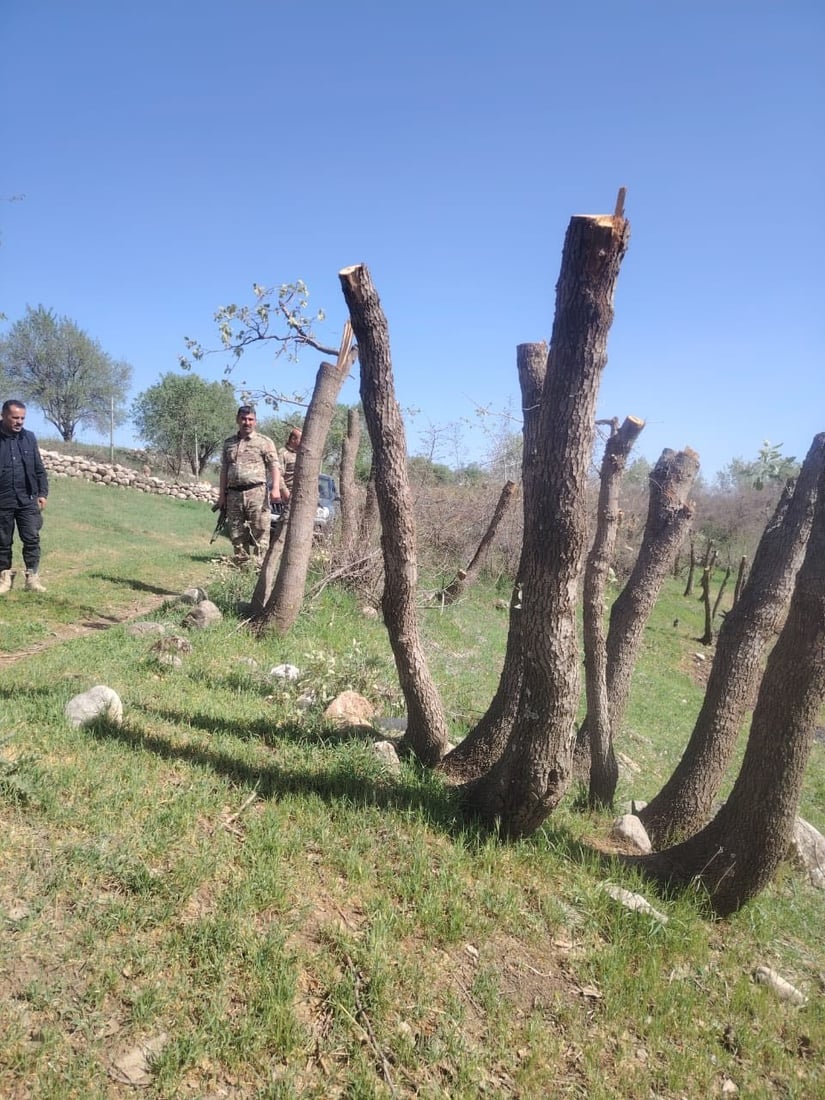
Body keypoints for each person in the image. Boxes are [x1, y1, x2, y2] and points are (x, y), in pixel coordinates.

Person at [217, 406, 284, 565]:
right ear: (237, 420)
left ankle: (259, 568)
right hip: (233, 494)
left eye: (250, 419)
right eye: (243, 419)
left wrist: (275, 489)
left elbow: (274, 466)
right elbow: (224, 470)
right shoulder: (229, 443)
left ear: (255, 421)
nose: (247, 422)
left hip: (257, 493)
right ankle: (242, 566)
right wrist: (221, 495)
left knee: (260, 530)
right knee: (236, 532)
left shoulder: (264, 442)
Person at [0, 399, 49, 593]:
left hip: (27, 498)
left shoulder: (29, 438)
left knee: (32, 538)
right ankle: (4, 578)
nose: (19, 422)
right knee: (2, 541)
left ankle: (32, 578)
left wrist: (43, 493)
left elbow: (39, 468)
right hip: (2, 499)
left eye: (22, 418)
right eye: (15, 418)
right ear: (3, 415)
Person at [280, 427, 302, 495]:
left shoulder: (303, 454)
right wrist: (285, 492)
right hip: (287, 495)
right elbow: (279, 476)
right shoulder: (283, 453)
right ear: (293, 439)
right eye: (301, 439)